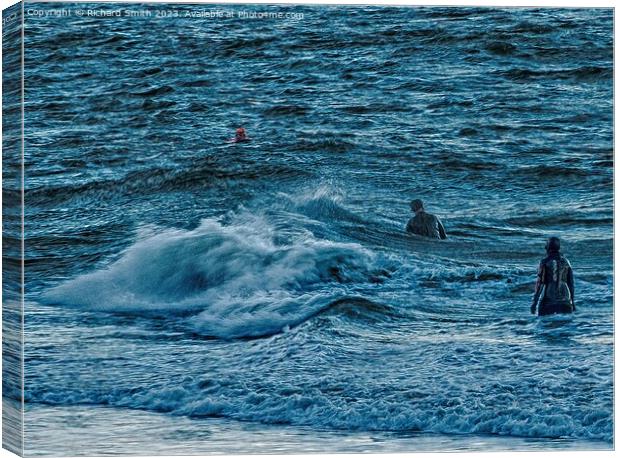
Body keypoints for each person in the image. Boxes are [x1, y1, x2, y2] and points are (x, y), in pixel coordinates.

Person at [531, 236, 575, 316]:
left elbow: (540, 283)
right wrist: (573, 302)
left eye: (546, 245)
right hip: (565, 300)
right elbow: (571, 283)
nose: (545, 247)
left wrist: (534, 303)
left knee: (545, 325)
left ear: (548, 248)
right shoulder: (566, 262)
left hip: (548, 301)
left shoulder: (544, 262)